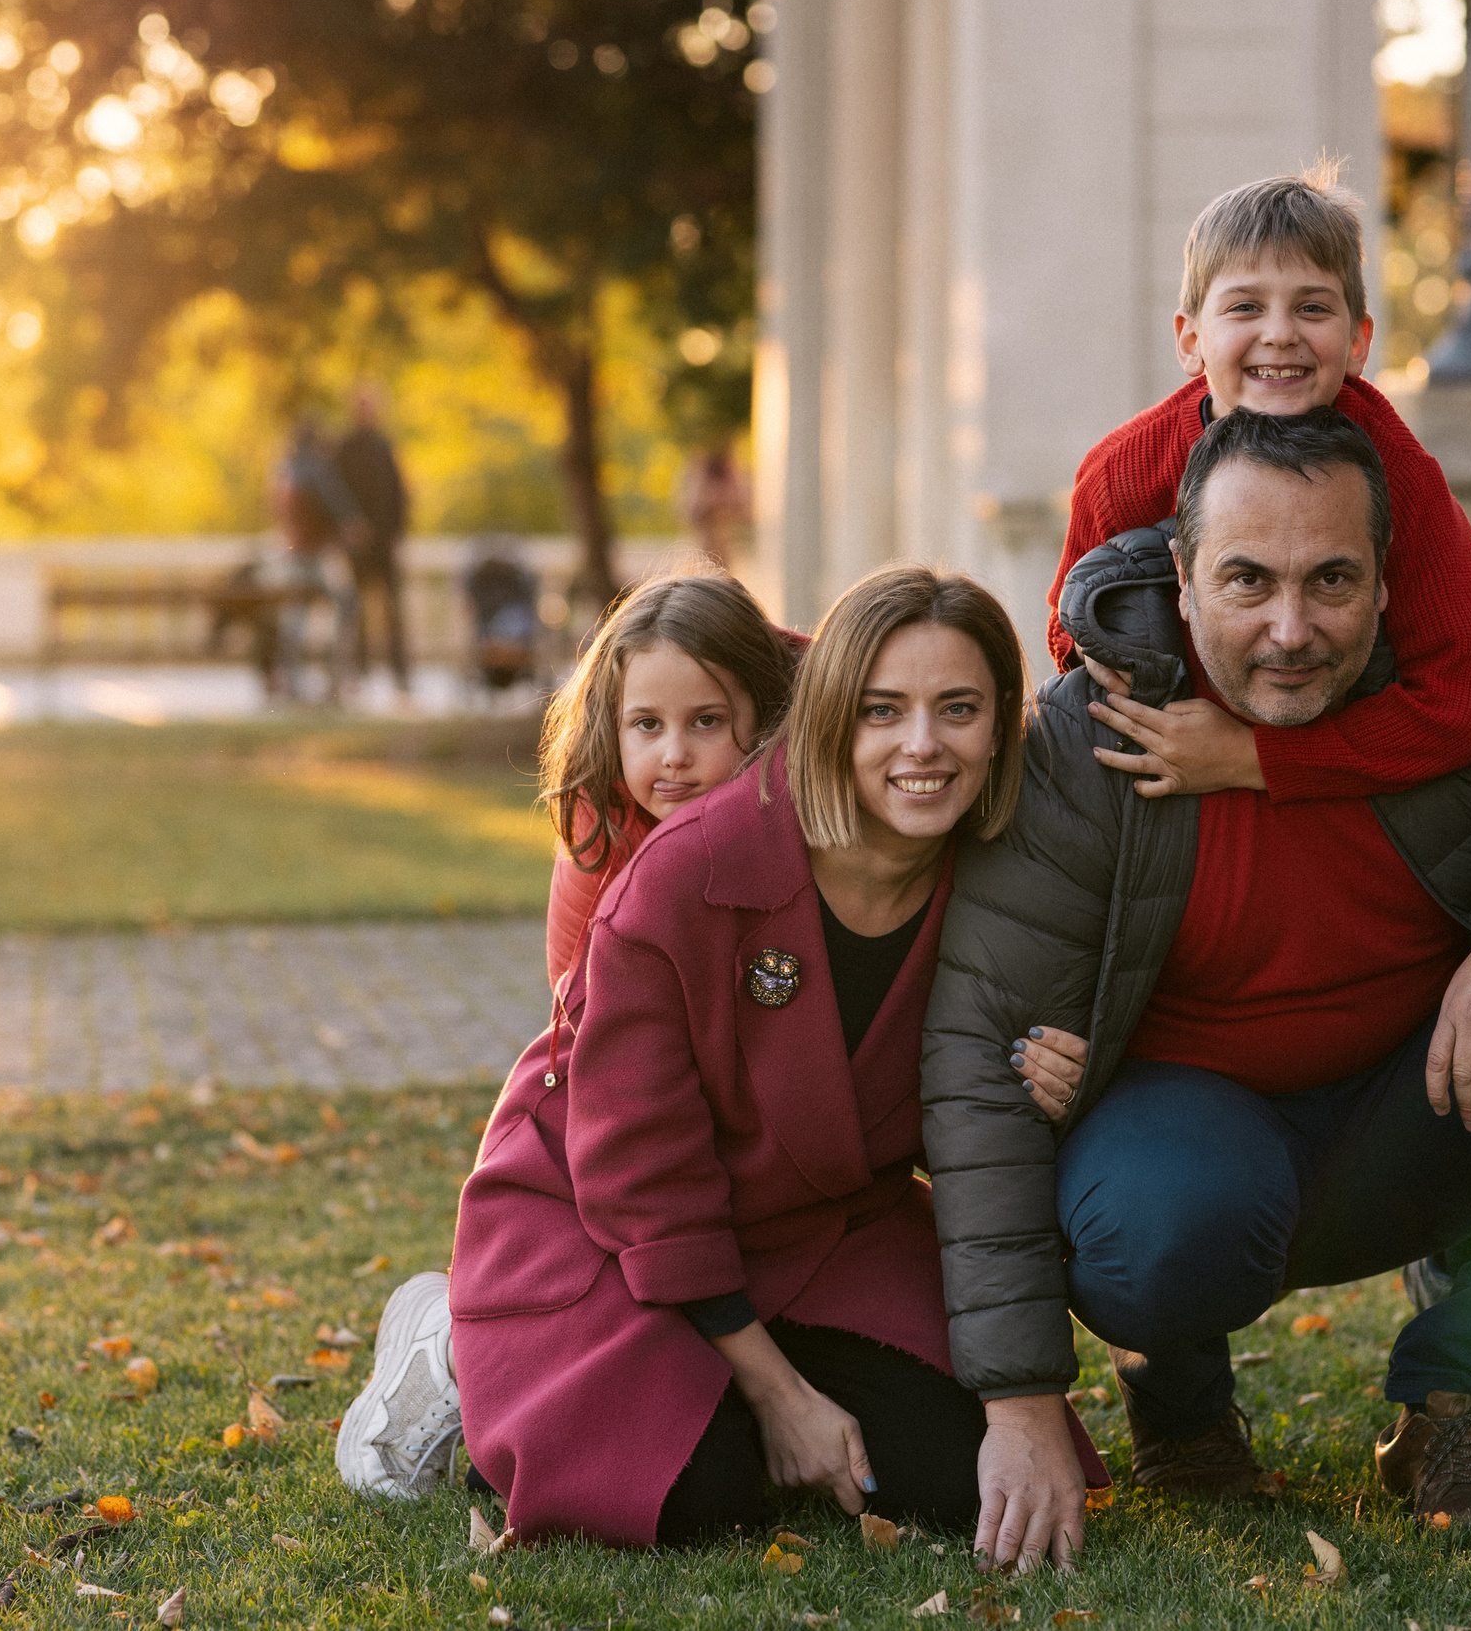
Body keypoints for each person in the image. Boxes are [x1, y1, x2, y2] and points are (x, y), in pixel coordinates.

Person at [920, 409, 1471, 1553]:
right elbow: (975, 1063)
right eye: (1247, 580)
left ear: (1386, 577)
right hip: (1186, 1147)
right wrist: (1017, 1397)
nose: (1290, 627)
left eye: (1331, 581)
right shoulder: (1085, 739)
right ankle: (1178, 1392)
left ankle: (1464, 1405)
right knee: (1158, 1225)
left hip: (1427, 1103)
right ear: (1181, 570)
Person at [338, 566, 1105, 1561]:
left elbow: (983, 1097)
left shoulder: (995, 860)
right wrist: (781, 1397)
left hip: (820, 1227)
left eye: (956, 709)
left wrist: (1058, 1070)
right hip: (609, 1224)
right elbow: (640, 1169)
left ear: (1000, 721)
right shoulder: (684, 867)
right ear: (832, 719)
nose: (921, 745)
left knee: (957, 1475)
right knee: (680, 1487)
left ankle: (725, 1379)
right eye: (882, 710)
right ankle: (464, 1347)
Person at [1041, 164, 1471, 807]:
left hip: (1356, 799)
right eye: (1245, 307)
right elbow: (1072, 622)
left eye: (1313, 307)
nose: (1280, 333)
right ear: (1190, 341)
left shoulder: (1396, 470)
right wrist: (1110, 664)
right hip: (1170, 806)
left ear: (1358, 341)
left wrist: (1252, 758)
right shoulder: (1122, 474)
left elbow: (1461, 697)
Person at [534, 570, 799, 994]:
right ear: (612, 727)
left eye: (706, 720)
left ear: (764, 718)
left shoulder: (801, 816)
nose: (674, 756)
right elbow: (576, 1006)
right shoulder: (603, 815)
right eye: (648, 724)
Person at [269, 416, 363, 702]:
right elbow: (339, 506)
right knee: (345, 606)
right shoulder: (318, 469)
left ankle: (291, 683)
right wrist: (350, 526)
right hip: (319, 554)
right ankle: (335, 680)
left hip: (291, 552)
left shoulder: (283, 470)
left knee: (294, 619)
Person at [335, 387, 412, 692]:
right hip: (357, 545)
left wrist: (397, 534)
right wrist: (348, 527)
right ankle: (359, 673)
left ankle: (401, 675)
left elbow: (399, 494)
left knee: (393, 610)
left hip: (384, 543)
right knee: (356, 612)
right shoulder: (345, 449)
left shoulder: (385, 447)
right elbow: (335, 496)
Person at [679, 441, 750, 570]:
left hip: (727, 545)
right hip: (705, 544)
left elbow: (744, 508)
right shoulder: (699, 471)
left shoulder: (730, 472)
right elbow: (691, 509)